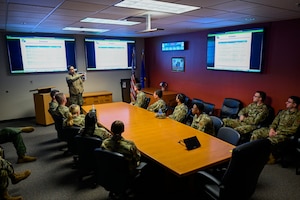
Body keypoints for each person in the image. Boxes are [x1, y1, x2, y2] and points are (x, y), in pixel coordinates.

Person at [251, 96, 300, 164]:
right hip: (274, 131)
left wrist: (277, 132)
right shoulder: (282, 112)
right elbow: (274, 122)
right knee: (256, 133)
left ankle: (270, 158)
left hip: (284, 134)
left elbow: (293, 129)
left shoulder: (298, 115)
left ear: (294, 105)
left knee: (268, 141)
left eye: (289, 102)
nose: (286, 103)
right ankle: (253, 153)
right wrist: (272, 129)